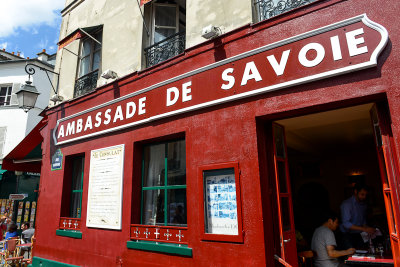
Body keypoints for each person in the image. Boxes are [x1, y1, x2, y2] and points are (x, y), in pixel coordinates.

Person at [340, 183, 376, 249]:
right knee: (351, 256)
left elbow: (363, 221)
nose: (364, 197)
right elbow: (346, 224)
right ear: (356, 191)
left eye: (366, 195)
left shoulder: (363, 204)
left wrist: (368, 229)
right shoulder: (346, 204)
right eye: (362, 194)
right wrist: (364, 229)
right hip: (347, 235)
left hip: (360, 234)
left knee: (362, 253)